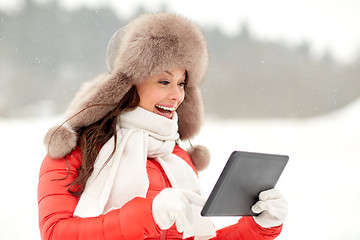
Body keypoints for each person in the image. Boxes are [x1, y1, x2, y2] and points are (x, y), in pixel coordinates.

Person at [38, 13, 287, 240]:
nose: (176, 95)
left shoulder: (175, 158)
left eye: (181, 83)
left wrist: (258, 227)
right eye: (164, 81)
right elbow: (56, 233)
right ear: (129, 84)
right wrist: (148, 216)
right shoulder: (76, 150)